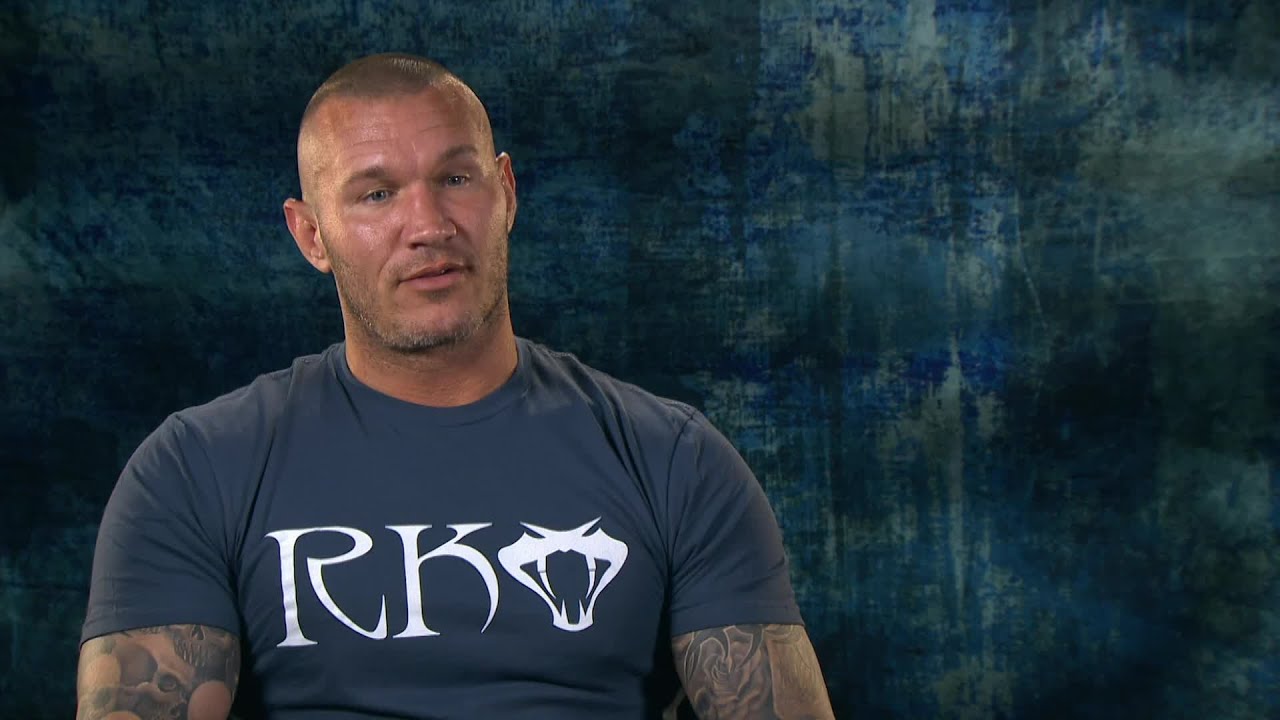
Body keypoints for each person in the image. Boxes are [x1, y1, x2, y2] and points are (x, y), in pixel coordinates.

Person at [76, 52, 835, 719]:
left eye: (455, 178)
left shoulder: (674, 460)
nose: (428, 224)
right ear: (311, 234)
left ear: (506, 191)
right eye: (376, 194)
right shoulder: (196, 470)